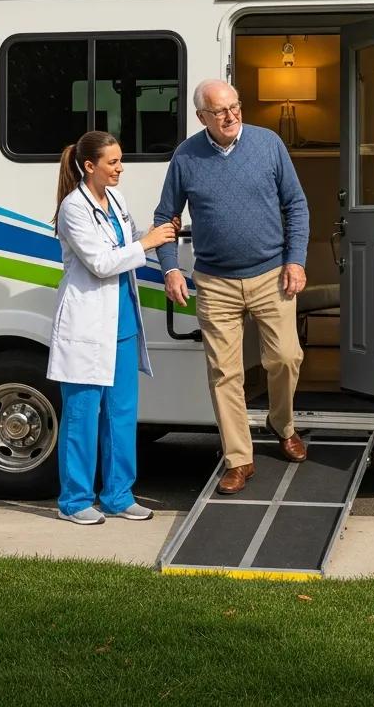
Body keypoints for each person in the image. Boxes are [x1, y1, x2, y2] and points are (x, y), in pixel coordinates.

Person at [154, 80, 310, 495]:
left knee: (285, 358)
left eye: (235, 107)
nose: (231, 116)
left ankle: (282, 423)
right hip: (215, 280)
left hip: (270, 273)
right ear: (202, 116)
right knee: (225, 372)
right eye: (220, 111)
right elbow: (165, 217)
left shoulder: (268, 144)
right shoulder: (186, 156)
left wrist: (295, 259)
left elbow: (296, 204)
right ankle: (239, 459)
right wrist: (170, 269)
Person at [49, 130, 178, 525]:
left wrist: (151, 239)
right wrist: (148, 243)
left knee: (121, 414)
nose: (121, 168)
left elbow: (124, 246)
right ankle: (74, 501)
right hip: (87, 325)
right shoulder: (73, 208)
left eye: (121, 160)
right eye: (113, 162)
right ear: (90, 166)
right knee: (82, 415)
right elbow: (101, 263)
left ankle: (119, 495)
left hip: (121, 323)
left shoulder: (117, 199)